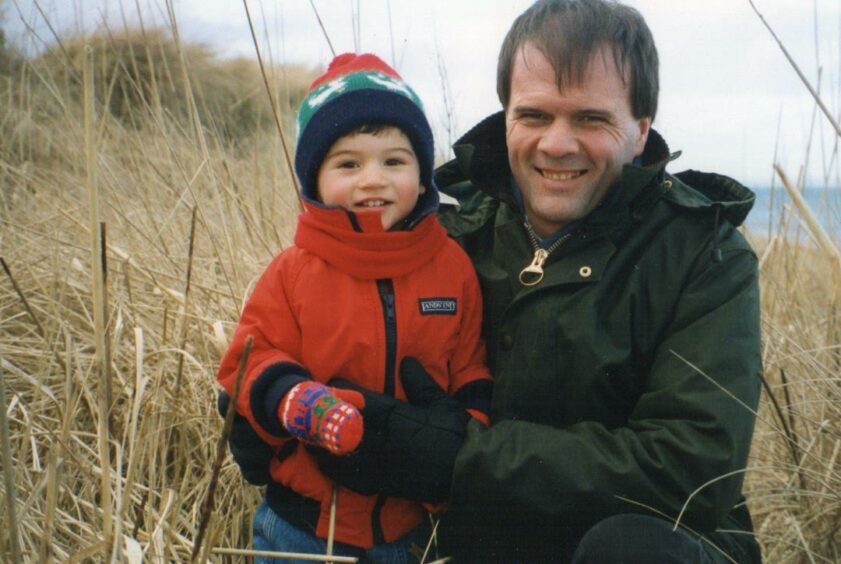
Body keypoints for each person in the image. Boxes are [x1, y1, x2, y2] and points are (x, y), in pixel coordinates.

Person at [310, 1, 763, 562]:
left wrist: (461, 459)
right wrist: (270, 396)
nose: (556, 144)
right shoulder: (440, 233)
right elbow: (327, 339)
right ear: (507, 120)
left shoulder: (706, 253)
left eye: (591, 119)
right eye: (535, 116)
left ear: (640, 130)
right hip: (477, 538)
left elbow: (694, 472)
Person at [215, 53, 492, 562]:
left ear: (422, 172)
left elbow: (470, 365)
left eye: (394, 161)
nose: (373, 180)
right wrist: (293, 401)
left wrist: (464, 436)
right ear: (315, 178)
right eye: (348, 164)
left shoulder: (452, 267)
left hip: (406, 529)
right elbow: (246, 360)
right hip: (301, 527)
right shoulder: (293, 270)